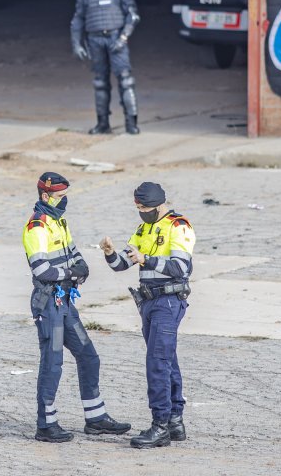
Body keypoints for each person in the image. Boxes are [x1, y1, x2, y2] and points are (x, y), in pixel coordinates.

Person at [23, 172, 131, 442]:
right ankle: (45, 425)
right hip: (49, 305)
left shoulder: (60, 223)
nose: (64, 201)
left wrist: (78, 270)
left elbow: (76, 255)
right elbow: (42, 269)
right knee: (53, 362)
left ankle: (95, 419)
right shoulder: (37, 227)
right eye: (60, 197)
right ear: (45, 196)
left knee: (88, 355)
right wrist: (72, 273)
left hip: (66, 302)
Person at [100, 181, 195, 449]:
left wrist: (147, 260)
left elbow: (180, 267)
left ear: (158, 204)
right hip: (148, 303)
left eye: (145, 207)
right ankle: (175, 422)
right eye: (138, 208)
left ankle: (160, 426)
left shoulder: (179, 226)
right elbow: (123, 263)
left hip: (168, 301)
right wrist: (110, 253)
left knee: (157, 363)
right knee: (167, 361)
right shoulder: (144, 228)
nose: (141, 211)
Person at [70, 0, 141, 135]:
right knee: (100, 82)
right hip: (95, 40)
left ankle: (131, 123)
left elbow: (132, 15)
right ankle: (102, 123)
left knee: (125, 80)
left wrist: (123, 37)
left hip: (116, 37)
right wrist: (76, 44)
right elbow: (78, 19)